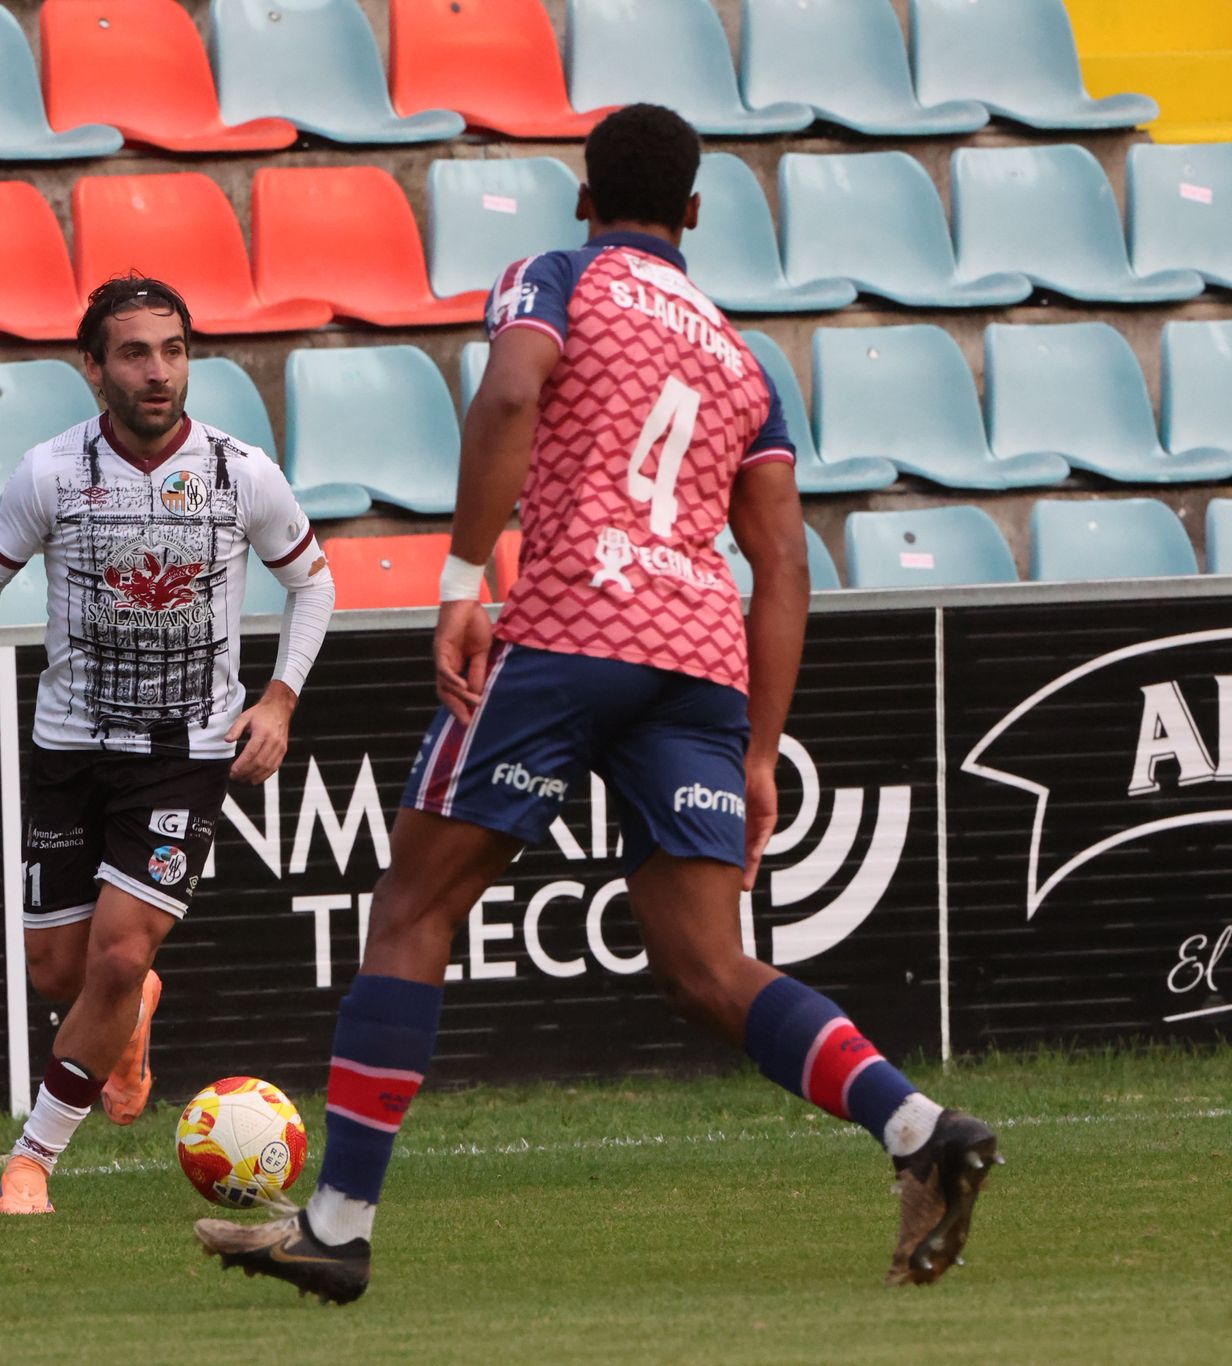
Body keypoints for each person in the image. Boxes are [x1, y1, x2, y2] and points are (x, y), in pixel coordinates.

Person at [195, 105, 998, 1302]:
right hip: (698, 661)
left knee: (414, 904)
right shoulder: (741, 358)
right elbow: (781, 563)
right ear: (692, 213)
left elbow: (511, 396)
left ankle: (340, 1224)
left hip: (574, 626)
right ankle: (916, 1127)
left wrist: (464, 579)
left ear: (584, 196)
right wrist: (762, 749)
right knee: (703, 962)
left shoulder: (556, 276)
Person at [0, 275, 337, 1216]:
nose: (158, 372)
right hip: (68, 742)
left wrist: (278, 700)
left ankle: (33, 1158)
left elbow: (313, 585)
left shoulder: (243, 473)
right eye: (134, 353)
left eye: (173, 350)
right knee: (61, 973)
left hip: (186, 748)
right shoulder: (50, 472)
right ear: (94, 369)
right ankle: (132, 1015)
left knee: (116, 957)